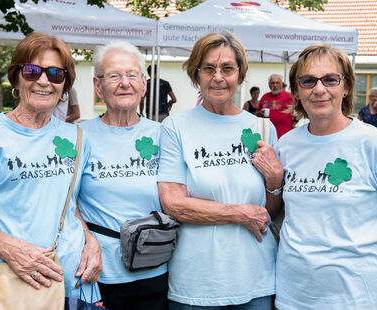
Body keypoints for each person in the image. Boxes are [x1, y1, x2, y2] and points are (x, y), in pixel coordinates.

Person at [0, 33, 102, 305]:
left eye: (55, 73)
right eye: (32, 71)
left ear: (65, 84)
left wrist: (90, 240)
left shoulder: (76, 137)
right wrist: (9, 249)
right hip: (12, 282)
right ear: (16, 77)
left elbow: (69, 202)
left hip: (71, 282)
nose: (43, 80)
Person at [273, 43, 377, 310]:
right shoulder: (286, 146)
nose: (319, 89)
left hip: (356, 298)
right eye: (308, 80)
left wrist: (363, 231)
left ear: (345, 87)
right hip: (294, 295)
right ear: (297, 91)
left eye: (330, 79)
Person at [158, 31, 283, 309]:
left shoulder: (261, 128)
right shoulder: (176, 128)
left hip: (257, 279)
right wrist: (240, 214)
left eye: (227, 68)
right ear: (196, 75)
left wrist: (275, 180)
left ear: (239, 74)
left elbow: (269, 211)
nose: (218, 77)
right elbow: (173, 204)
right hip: (196, 284)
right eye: (208, 68)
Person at [77, 41, 168, 310]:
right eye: (114, 76)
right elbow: (63, 199)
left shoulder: (165, 135)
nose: (124, 83)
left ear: (144, 84)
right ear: (97, 85)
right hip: (96, 273)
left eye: (132, 75)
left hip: (155, 272)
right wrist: (87, 237)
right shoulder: (79, 136)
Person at [256, 74, 294, 138]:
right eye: (272, 83)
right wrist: (260, 113)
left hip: (284, 135)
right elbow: (257, 113)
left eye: (277, 83)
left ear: (281, 84)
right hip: (267, 135)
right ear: (269, 85)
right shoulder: (265, 96)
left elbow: (299, 110)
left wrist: (295, 121)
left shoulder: (289, 96)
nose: (275, 85)